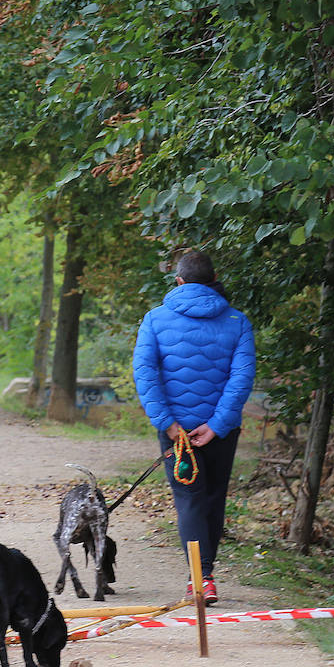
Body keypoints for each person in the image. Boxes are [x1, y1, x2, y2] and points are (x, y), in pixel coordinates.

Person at [131, 251, 255, 606]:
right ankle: (206, 576)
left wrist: (168, 424)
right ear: (213, 279)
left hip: (177, 434)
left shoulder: (155, 320)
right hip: (221, 432)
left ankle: (200, 580)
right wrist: (217, 425)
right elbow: (241, 378)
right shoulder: (237, 322)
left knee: (189, 499)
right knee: (214, 498)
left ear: (179, 281)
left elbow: (145, 375)